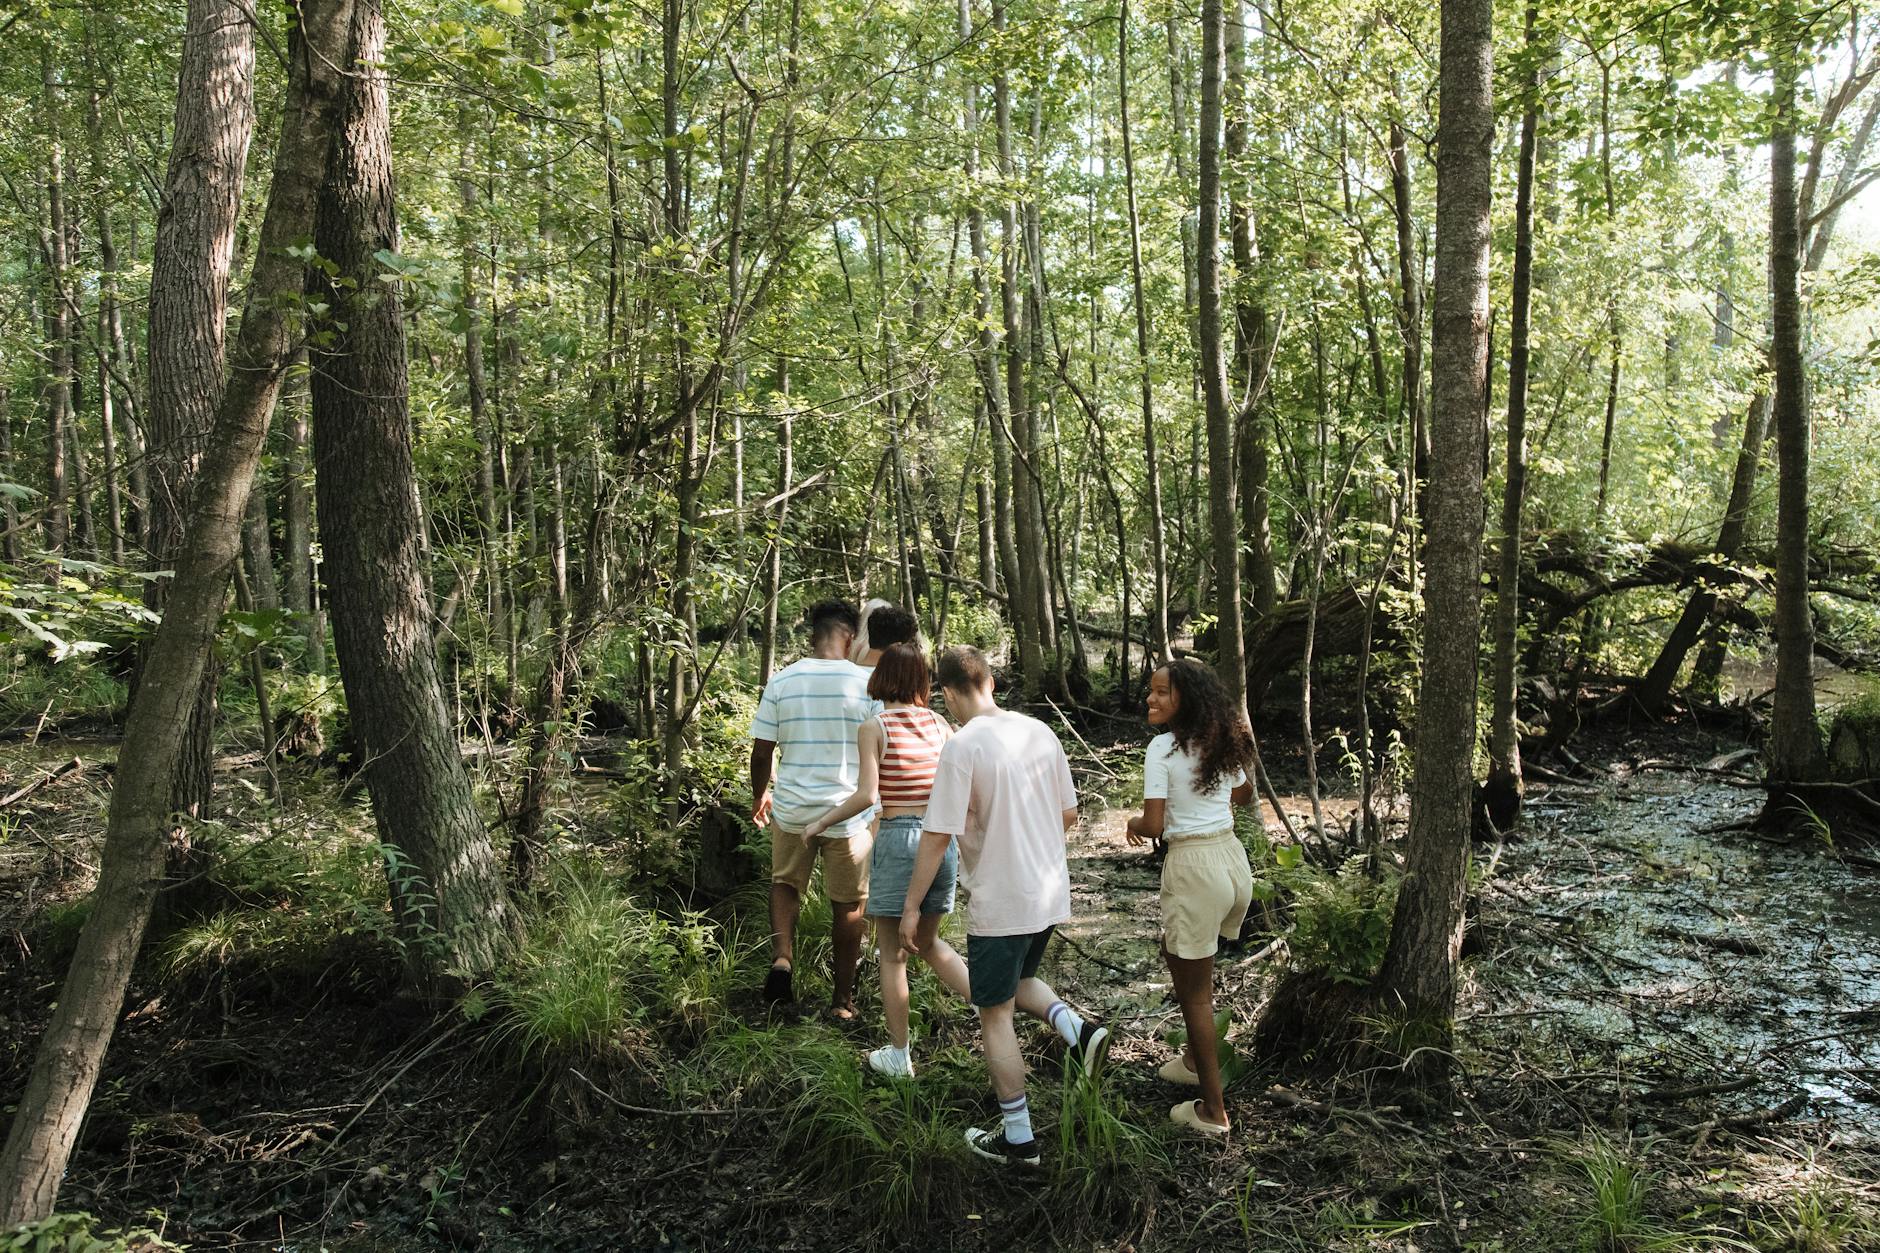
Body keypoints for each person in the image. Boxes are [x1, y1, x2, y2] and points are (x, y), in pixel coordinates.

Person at [900, 646, 1109, 1168]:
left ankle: (1019, 1142)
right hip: (1047, 891)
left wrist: (911, 907)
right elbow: (1068, 813)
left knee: (993, 1014)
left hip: (1002, 896)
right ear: (990, 681)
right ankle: (1079, 1032)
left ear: (947, 694)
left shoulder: (962, 746)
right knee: (1015, 984)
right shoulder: (1039, 731)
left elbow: (936, 837)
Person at [803, 642, 971, 1078]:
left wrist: (819, 823)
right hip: (940, 842)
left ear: (882, 677)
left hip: (898, 841)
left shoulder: (874, 726)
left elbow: (867, 795)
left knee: (893, 954)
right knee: (930, 943)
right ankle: (996, 1007)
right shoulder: (940, 724)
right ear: (921, 681)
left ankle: (899, 1055)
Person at [1123, 659, 1256, 1136]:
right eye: (1151, 691)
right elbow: (1244, 796)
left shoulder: (1162, 749)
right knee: (1179, 955)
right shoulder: (1221, 738)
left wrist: (1132, 826)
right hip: (1232, 862)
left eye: (1162, 693)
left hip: (1194, 869)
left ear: (1188, 700)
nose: (1151, 699)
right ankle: (1192, 1060)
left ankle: (1212, 1111)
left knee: (1195, 996)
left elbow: (1154, 825)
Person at [750, 598, 877, 1016]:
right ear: (852, 636)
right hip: (848, 814)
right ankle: (842, 1002)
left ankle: (783, 959)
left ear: (812, 635)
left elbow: (762, 749)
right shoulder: (867, 684)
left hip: (792, 808)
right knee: (849, 906)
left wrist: (759, 794)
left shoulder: (782, 681)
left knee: (785, 884)